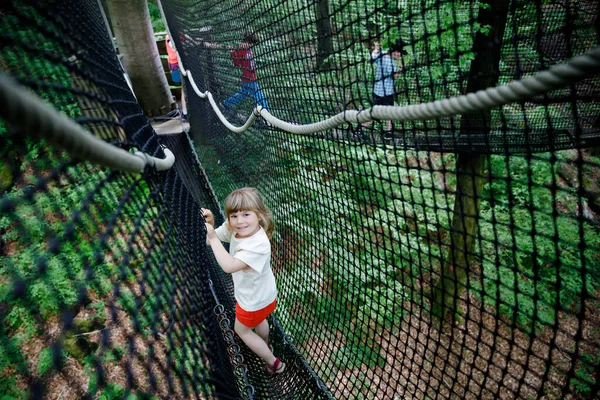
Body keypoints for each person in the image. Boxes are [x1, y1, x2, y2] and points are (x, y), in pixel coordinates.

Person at [202, 188, 284, 374]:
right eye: (234, 216)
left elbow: (229, 265)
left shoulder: (258, 245)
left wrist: (213, 238)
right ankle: (265, 345)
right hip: (264, 296)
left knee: (243, 330)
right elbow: (211, 239)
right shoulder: (235, 229)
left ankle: (274, 363)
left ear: (260, 216)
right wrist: (212, 224)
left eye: (246, 214)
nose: (240, 221)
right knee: (260, 320)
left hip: (252, 301)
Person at [224, 30, 270, 112]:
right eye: (251, 43)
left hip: (249, 78)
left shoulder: (248, 48)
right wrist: (233, 53)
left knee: (242, 95)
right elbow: (237, 63)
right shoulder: (242, 49)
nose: (252, 45)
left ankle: (226, 103)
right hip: (248, 79)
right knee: (260, 96)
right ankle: (267, 114)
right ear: (247, 41)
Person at [370, 39, 407, 132]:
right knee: (375, 115)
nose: (399, 55)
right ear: (395, 52)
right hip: (384, 93)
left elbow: (372, 57)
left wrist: (376, 49)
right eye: (398, 52)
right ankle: (358, 130)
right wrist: (402, 70)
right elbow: (394, 76)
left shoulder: (383, 53)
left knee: (387, 113)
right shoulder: (388, 62)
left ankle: (389, 132)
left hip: (379, 91)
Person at [165, 34, 187, 119]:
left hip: (177, 64)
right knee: (184, 88)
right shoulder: (170, 37)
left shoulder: (178, 35)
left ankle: (185, 112)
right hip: (177, 65)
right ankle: (185, 112)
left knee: (184, 88)